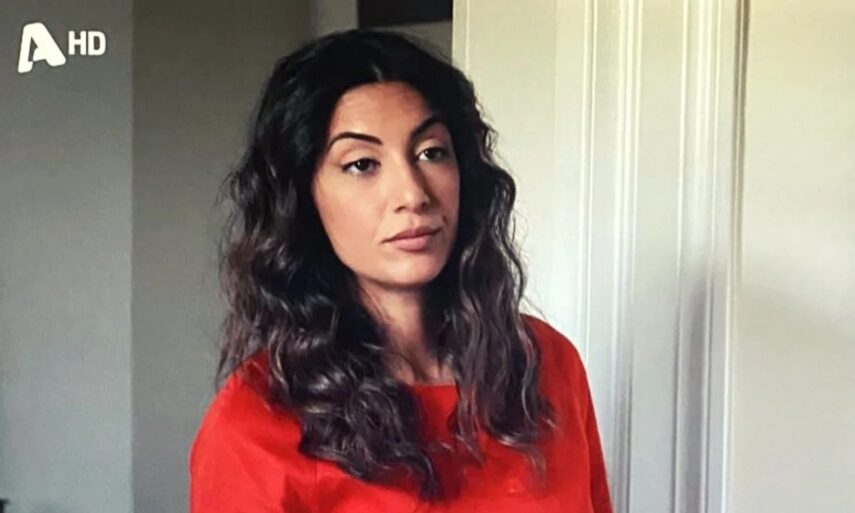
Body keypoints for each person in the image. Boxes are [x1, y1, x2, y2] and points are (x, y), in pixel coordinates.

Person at [189, 29, 612, 513]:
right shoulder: (254, 425)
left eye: (431, 152)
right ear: (303, 199)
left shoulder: (548, 365)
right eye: (362, 164)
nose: (413, 194)